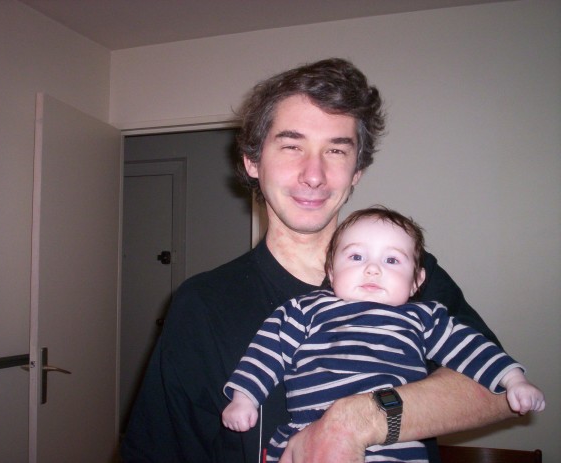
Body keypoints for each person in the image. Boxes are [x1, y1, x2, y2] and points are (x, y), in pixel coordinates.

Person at [121, 58, 518, 463]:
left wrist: (356, 422)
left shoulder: (407, 273)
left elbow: (500, 389)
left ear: (357, 171)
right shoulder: (203, 303)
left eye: (336, 150)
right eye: (292, 146)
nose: (314, 175)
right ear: (252, 162)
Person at [222, 206, 545, 462]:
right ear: (331, 271)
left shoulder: (424, 317)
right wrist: (245, 397)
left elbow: (471, 348)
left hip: (397, 444)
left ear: (417, 281)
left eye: (391, 260)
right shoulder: (305, 309)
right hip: (303, 435)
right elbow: (268, 350)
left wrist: (513, 379)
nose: (372, 268)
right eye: (356, 256)